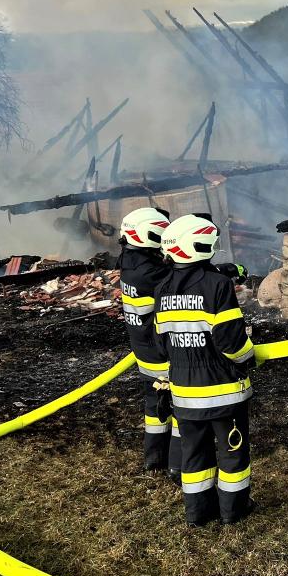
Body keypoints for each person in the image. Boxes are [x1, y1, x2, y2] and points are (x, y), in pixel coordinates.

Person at [154, 214, 257, 526]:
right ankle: (233, 510)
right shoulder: (218, 285)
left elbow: (161, 344)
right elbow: (230, 341)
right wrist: (249, 357)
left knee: (195, 454)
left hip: (185, 394)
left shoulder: (162, 288)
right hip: (223, 392)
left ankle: (198, 513)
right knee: (232, 452)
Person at [117, 206, 181, 480]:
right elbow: (182, 281)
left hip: (143, 347)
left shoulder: (129, 259)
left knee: (155, 405)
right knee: (180, 406)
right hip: (161, 352)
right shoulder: (150, 273)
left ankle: (154, 459)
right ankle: (178, 464)